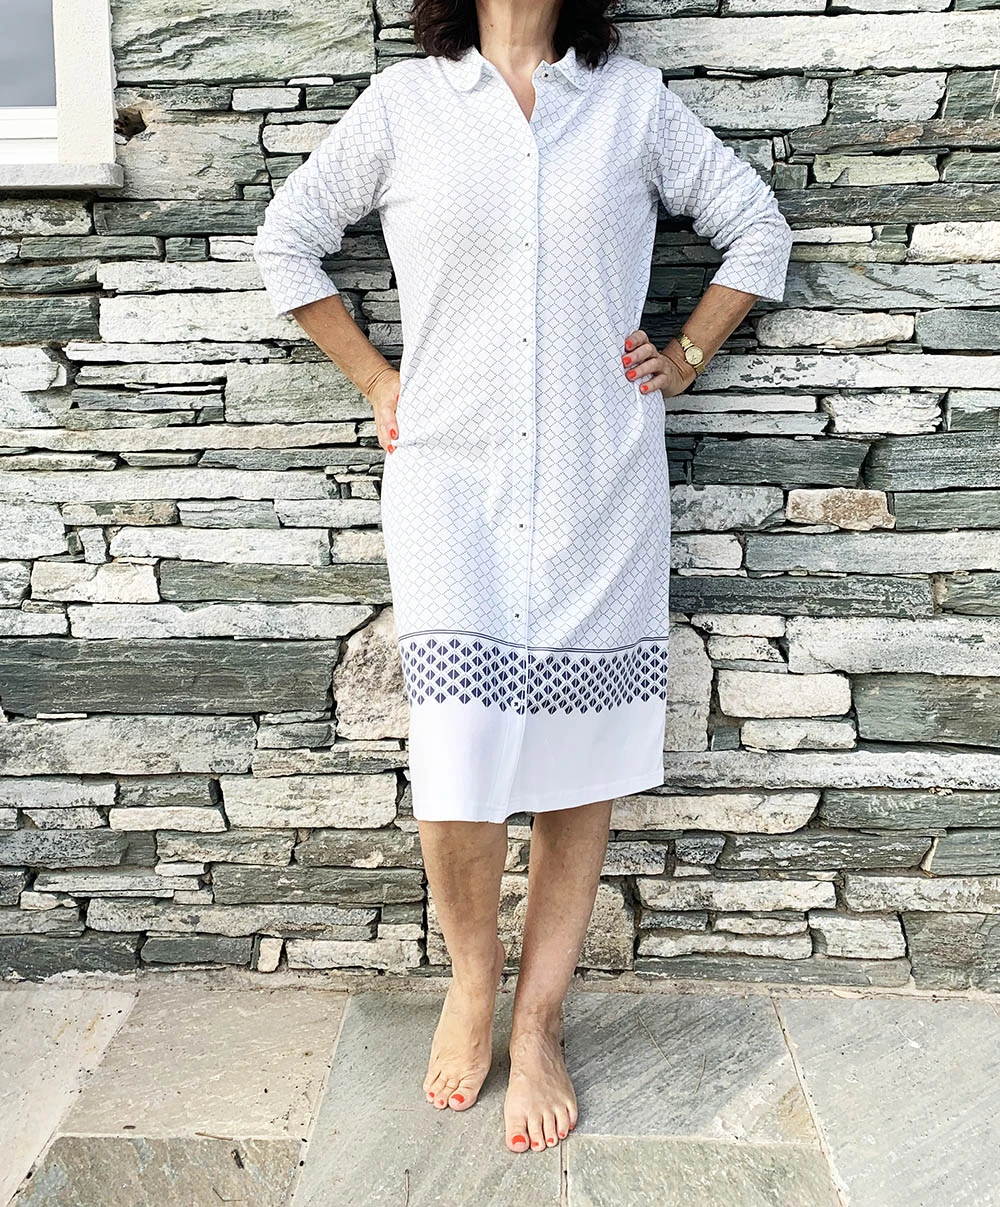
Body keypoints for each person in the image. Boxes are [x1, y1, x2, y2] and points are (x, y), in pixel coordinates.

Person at [253, 0, 793, 1156]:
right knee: (457, 753)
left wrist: (687, 354)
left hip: (600, 479)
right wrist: (376, 379)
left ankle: (539, 1019)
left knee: (578, 758)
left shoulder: (630, 106)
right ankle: (471, 979)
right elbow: (286, 239)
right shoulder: (405, 106)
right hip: (450, 484)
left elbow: (755, 226)